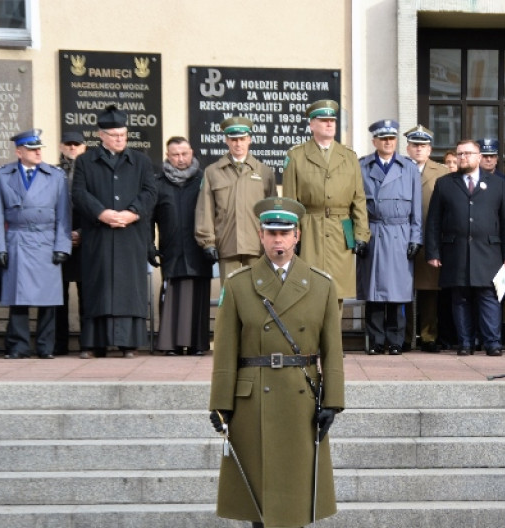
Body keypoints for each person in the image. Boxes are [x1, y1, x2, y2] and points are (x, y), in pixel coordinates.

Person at [208, 196, 344, 528]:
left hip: (301, 395)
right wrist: (220, 404)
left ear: (298, 235)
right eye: (271, 233)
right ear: (261, 236)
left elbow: (332, 350)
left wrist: (332, 399)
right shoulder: (238, 285)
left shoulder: (320, 285)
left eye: (285, 233)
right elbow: (226, 351)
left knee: (297, 481)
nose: (278, 241)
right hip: (255, 396)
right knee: (260, 480)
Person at [71, 105, 158, 358]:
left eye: (123, 134)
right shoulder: (86, 161)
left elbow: (150, 192)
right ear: (101, 135)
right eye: (114, 135)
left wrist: (131, 213)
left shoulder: (141, 161)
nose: (120, 139)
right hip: (98, 235)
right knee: (97, 287)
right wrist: (102, 213)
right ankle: (94, 344)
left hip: (130, 235)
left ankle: (128, 344)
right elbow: (79, 193)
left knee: (129, 288)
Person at [425, 139, 505, 356]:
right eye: (460, 154)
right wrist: (433, 252)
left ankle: (492, 343)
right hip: (456, 251)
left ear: (479, 157)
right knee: (460, 298)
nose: (462, 157)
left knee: (489, 297)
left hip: (489, 251)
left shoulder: (497, 184)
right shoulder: (445, 183)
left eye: (467, 153)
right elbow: (434, 220)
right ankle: (465, 343)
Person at [0, 129, 72, 359]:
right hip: (17, 240)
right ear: (19, 151)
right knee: (18, 298)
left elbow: (64, 215)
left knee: (48, 299)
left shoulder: (55, 176)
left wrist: (62, 246)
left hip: (46, 241)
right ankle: (18, 346)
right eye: (32, 149)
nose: (38, 152)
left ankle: (46, 347)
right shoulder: (3, 175)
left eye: (39, 148)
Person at [282, 99, 369, 303]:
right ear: (312, 125)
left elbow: (358, 199)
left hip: (341, 229)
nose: (329, 124)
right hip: (310, 229)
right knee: (308, 289)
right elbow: (290, 202)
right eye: (323, 120)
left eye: (332, 120)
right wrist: (291, 236)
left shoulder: (349, 157)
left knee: (335, 293)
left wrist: (361, 233)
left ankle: (333, 336)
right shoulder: (296, 156)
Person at [358, 119, 422, 355]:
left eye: (392, 139)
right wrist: (359, 237)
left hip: (400, 234)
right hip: (374, 232)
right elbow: (355, 205)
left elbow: (416, 207)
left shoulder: (409, 168)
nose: (388, 143)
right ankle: (375, 341)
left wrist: (416, 238)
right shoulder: (362, 166)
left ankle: (395, 341)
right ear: (374, 141)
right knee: (373, 293)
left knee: (397, 293)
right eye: (383, 139)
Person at [194, 116, 276, 286]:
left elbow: (272, 211)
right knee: (230, 293)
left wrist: (272, 240)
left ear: (249, 140)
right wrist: (207, 241)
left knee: (258, 292)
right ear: (226, 141)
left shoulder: (265, 172)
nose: (238, 144)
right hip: (227, 243)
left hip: (256, 244)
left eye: (242, 139)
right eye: (233, 139)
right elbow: (205, 210)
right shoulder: (212, 172)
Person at [153, 136, 211, 356]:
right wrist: (150, 244)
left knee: (198, 294)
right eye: (175, 154)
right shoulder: (158, 182)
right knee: (172, 294)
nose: (180, 159)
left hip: (198, 248)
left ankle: (197, 344)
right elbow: (149, 216)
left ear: (192, 152)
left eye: (184, 153)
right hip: (171, 247)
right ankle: (171, 344)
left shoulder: (204, 180)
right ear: (168, 156)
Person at [404, 124, 449, 353]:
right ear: (408, 148)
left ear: (430, 149)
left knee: (429, 290)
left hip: (430, 237)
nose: (419, 149)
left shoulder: (442, 172)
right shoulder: (399, 167)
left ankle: (429, 336)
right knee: (402, 290)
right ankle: (405, 336)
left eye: (423, 146)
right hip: (401, 237)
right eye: (415, 145)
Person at [54, 131, 86, 355]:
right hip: (58, 239)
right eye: (68, 144)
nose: (72, 148)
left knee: (88, 295)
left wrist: (82, 232)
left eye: (77, 144)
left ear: (84, 146)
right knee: (58, 296)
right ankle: (58, 344)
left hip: (86, 240)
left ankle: (88, 343)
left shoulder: (92, 171)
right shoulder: (51, 172)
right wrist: (63, 236)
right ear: (61, 146)